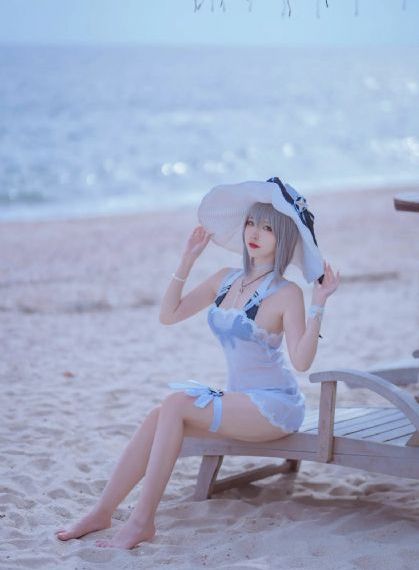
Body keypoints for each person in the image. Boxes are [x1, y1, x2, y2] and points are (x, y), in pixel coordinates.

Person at [55, 176, 340, 549]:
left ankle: (142, 521)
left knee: (175, 403)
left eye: (268, 228)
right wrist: (187, 260)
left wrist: (319, 303)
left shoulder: (287, 293)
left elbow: (301, 361)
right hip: (241, 400)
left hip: (275, 406)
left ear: (283, 236)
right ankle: (103, 511)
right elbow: (169, 315)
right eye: (251, 223)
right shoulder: (225, 279)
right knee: (160, 414)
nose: (255, 233)